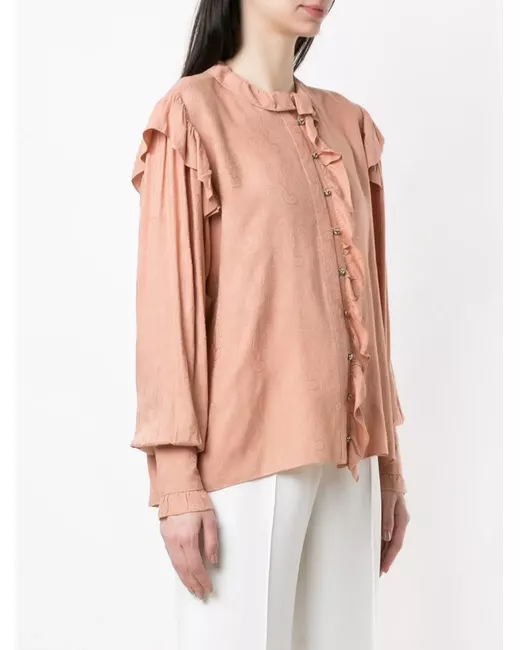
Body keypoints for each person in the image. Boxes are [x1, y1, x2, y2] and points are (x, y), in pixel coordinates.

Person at [130, 1, 410, 648]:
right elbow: (168, 311)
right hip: (243, 461)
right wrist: (176, 483)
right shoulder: (192, 114)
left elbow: (374, 308)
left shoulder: (349, 125)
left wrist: (391, 466)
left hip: (351, 464)